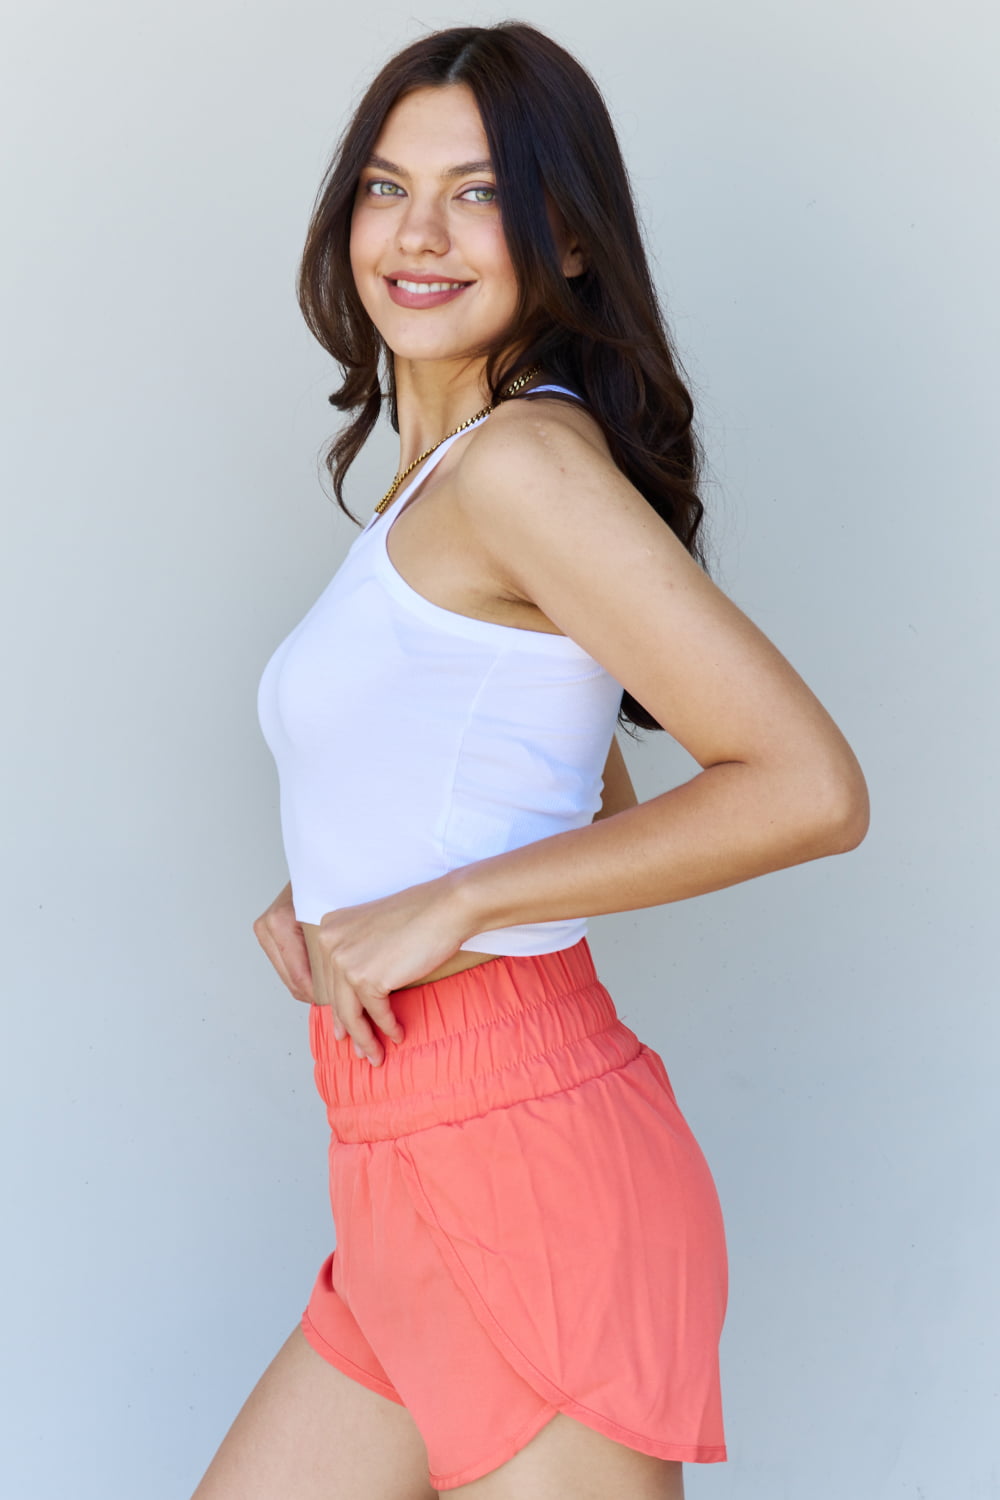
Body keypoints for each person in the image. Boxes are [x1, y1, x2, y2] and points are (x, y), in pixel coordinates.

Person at [192, 20, 869, 1500]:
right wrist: (330, 879)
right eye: (385, 187)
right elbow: (568, 779)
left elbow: (811, 787)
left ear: (565, 237)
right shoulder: (440, 486)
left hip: (526, 1158)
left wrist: (445, 908)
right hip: (401, 1156)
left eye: (478, 192)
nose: (418, 233)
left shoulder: (520, 470)